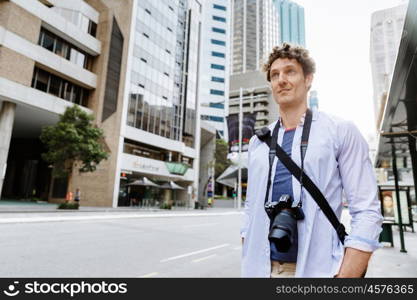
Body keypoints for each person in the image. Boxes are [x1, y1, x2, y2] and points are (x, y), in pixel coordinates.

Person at [241, 43, 383, 278]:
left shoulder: (340, 131)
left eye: (290, 71)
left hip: (318, 271)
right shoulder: (257, 143)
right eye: (274, 75)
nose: (281, 80)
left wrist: (347, 276)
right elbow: (250, 210)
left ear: (308, 79)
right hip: (259, 269)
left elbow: (367, 211)